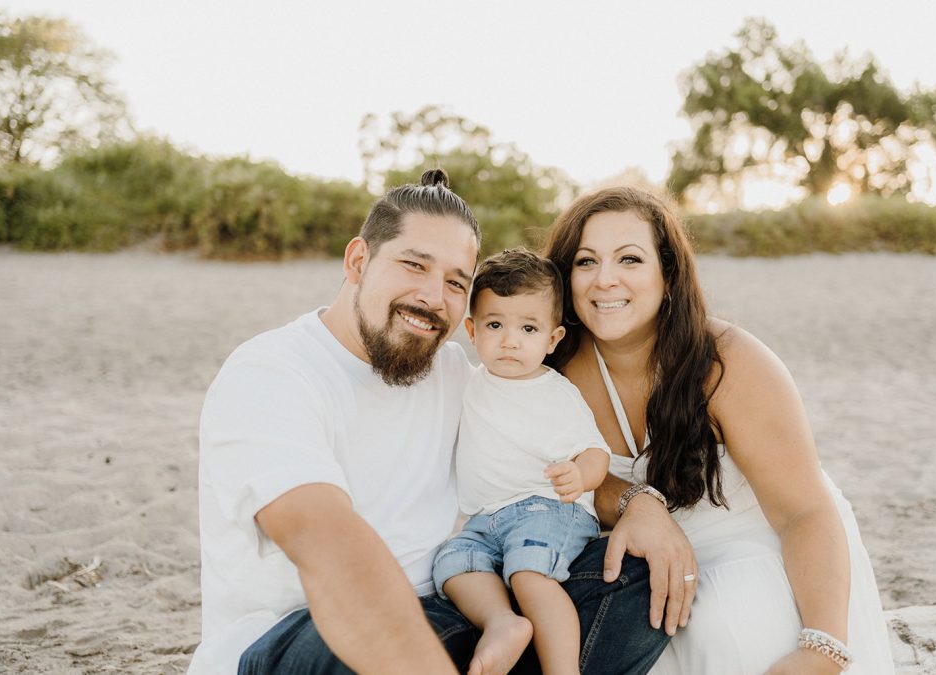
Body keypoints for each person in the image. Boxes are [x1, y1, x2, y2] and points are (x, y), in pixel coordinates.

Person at [191, 170, 669, 674]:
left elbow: (558, 464)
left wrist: (641, 505)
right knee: (342, 643)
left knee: (631, 575)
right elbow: (327, 548)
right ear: (359, 260)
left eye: (455, 282)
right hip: (308, 637)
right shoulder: (272, 373)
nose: (432, 296)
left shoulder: (459, 376)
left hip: (451, 615)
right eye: (414, 266)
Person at [542, 186, 896, 674]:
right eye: (585, 261)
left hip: (762, 545)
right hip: (643, 564)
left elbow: (804, 512)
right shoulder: (551, 367)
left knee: (731, 627)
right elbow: (542, 477)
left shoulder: (725, 360)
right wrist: (635, 500)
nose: (605, 280)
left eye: (629, 259)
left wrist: (823, 647)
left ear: (667, 275)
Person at [432, 249, 612, 675]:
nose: (510, 340)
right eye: (495, 325)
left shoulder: (554, 392)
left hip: (546, 507)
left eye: (528, 328)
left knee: (529, 573)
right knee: (454, 563)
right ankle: (502, 622)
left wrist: (579, 476)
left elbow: (595, 452)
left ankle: (563, 670)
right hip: (483, 519)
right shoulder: (471, 383)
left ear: (552, 339)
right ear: (472, 331)